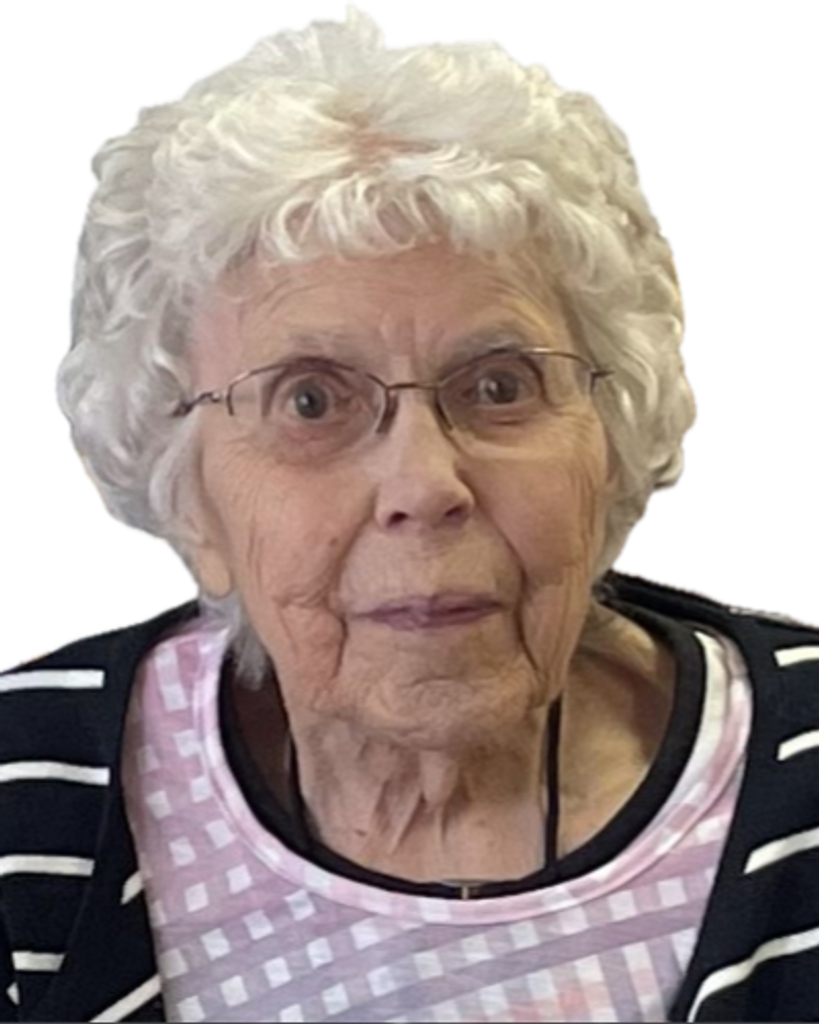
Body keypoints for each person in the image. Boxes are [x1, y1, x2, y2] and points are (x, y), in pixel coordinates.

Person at [1, 3, 817, 1021]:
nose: (425, 485)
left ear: (609, 434)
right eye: (311, 400)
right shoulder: (25, 787)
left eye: (500, 385)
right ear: (186, 486)